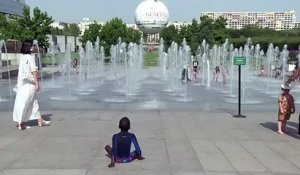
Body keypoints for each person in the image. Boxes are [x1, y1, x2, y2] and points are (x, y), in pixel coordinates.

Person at [13, 41, 49, 130]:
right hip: (29, 84)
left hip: (22, 84)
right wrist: (37, 83)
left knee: (32, 102)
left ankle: (39, 120)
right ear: (28, 47)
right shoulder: (30, 57)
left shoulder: (23, 58)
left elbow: (22, 73)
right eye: (32, 46)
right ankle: (21, 123)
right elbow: (33, 71)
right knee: (26, 103)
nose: (33, 47)